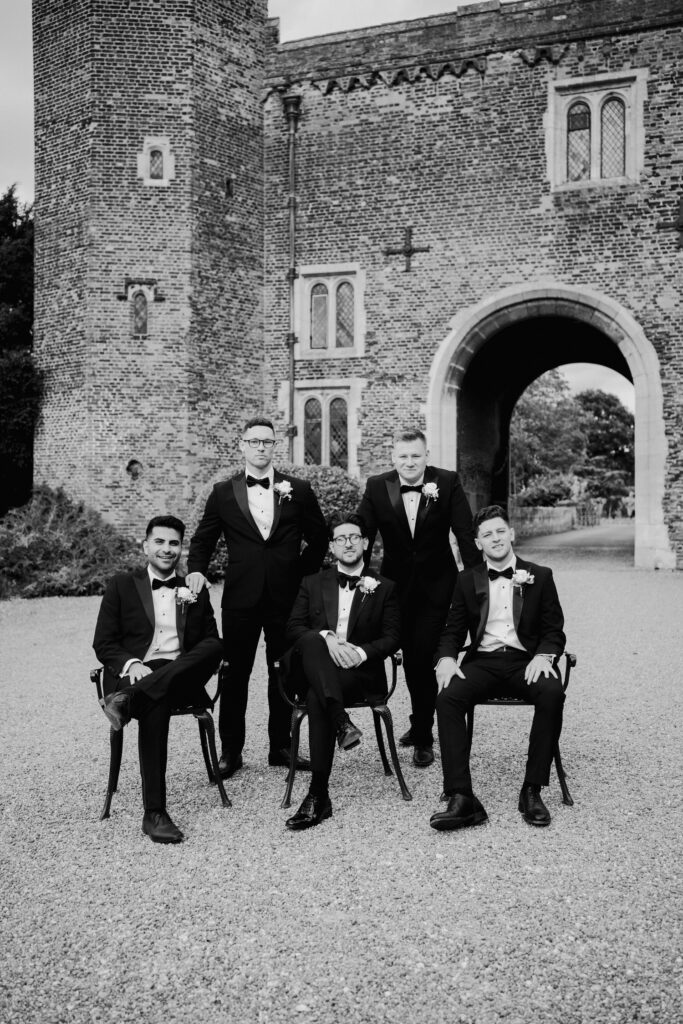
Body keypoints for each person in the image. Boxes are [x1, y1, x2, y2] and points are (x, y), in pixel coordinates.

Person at [186, 416, 328, 779]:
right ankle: (231, 751)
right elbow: (203, 539)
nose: (261, 447)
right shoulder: (223, 492)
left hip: (286, 598)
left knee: (283, 673)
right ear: (242, 445)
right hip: (240, 598)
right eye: (255, 441)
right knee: (235, 675)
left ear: (275, 445)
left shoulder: (299, 488)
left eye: (267, 441)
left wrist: (299, 572)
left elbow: (320, 538)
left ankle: (281, 746)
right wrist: (196, 570)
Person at [429, 505, 566, 832]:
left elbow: (554, 630)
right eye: (487, 534)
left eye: (500, 531)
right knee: (447, 697)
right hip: (484, 662)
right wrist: (446, 658)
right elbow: (453, 629)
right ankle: (462, 797)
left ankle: (532, 790)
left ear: (512, 534)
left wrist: (544, 657)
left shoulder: (540, 575)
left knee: (551, 692)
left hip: (526, 661)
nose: (495, 538)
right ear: (478, 543)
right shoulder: (466, 580)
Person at [93, 515, 223, 844]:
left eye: (174, 543)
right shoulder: (121, 585)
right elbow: (104, 643)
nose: (167, 549)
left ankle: (130, 700)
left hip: (180, 675)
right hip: (136, 673)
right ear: (146, 545)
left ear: (182, 548)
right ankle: (155, 813)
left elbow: (210, 643)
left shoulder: (193, 588)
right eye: (160, 542)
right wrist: (131, 663)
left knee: (215, 645)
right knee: (156, 699)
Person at [358, 428, 481, 768]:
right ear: (393, 457)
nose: (409, 462)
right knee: (409, 657)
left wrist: (477, 582)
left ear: (427, 456)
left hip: (438, 586)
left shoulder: (447, 481)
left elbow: (465, 533)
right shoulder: (376, 486)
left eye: (416, 456)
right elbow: (363, 537)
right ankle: (419, 722)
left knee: (420, 657)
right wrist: (358, 582)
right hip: (395, 587)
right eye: (403, 456)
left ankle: (424, 738)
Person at [282, 513, 401, 830]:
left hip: (358, 674)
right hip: (314, 666)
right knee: (310, 638)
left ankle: (318, 796)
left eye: (354, 537)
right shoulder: (312, 582)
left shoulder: (385, 587)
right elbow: (292, 628)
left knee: (317, 695)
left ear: (365, 543)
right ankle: (341, 722)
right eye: (340, 538)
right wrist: (328, 640)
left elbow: (392, 636)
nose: (348, 543)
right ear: (332, 547)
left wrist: (360, 653)